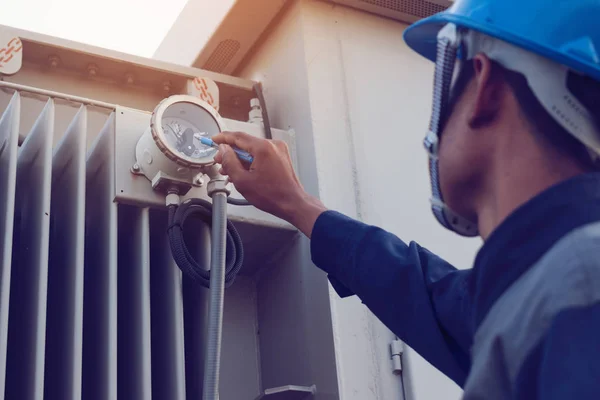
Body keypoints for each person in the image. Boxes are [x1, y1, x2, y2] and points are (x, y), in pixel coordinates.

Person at [212, 0, 600, 398]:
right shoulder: (534, 293)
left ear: (486, 88)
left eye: (447, 80)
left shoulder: (578, 288)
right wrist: (298, 204)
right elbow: (429, 296)